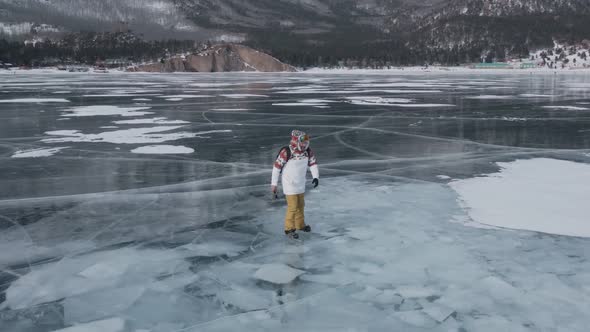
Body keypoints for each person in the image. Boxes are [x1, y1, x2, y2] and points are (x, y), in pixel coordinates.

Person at [271, 130, 319, 239]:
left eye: (306, 142)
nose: (304, 145)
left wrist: (316, 177)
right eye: (302, 142)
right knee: (292, 207)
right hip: (289, 184)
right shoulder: (287, 152)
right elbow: (276, 168)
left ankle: (300, 225)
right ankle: (289, 229)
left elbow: (313, 163)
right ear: (295, 142)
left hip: (300, 184)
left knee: (301, 206)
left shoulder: (307, 152)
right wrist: (274, 184)